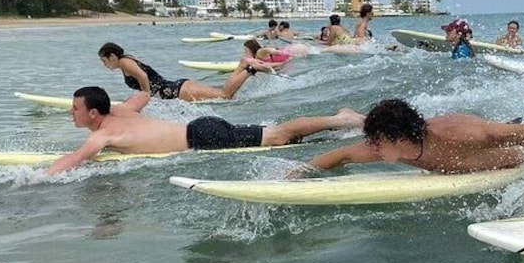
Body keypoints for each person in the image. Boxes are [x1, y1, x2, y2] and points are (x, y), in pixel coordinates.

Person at [45, 86, 365, 175]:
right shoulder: (123, 111)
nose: (70, 113)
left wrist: (36, 176)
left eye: (75, 109)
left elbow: (75, 160)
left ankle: (342, 119)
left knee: (279, 135)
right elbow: (143, 94)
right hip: (201, 131)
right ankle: (336, 124)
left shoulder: (102, 136)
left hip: (203, 138)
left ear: (93, 113)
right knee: (281, 138)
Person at [306, 99, 524, 174]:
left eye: (376, 140)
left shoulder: (458, 135)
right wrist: (297, 177)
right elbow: (340, 156)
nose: (371, 146)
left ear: (398, 138)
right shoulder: (386, 148)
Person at [97, 42, 227, 102]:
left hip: (175, 91)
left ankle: (245, 68)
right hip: (176, 88)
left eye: (104, 61)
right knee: (224, 95)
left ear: (113, 57)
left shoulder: (125, 62)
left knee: (225, 96)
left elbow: (143, 77)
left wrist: (145, 98)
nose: (104, 65)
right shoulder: (128, 60)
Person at [221, 39, 311, 96]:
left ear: (250, 49)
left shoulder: (260, 52)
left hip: (285, 63)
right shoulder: (254, 58)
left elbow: (272, 53)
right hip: (281, 65)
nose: (245, 52)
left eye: (246, 50)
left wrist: (280, 54)